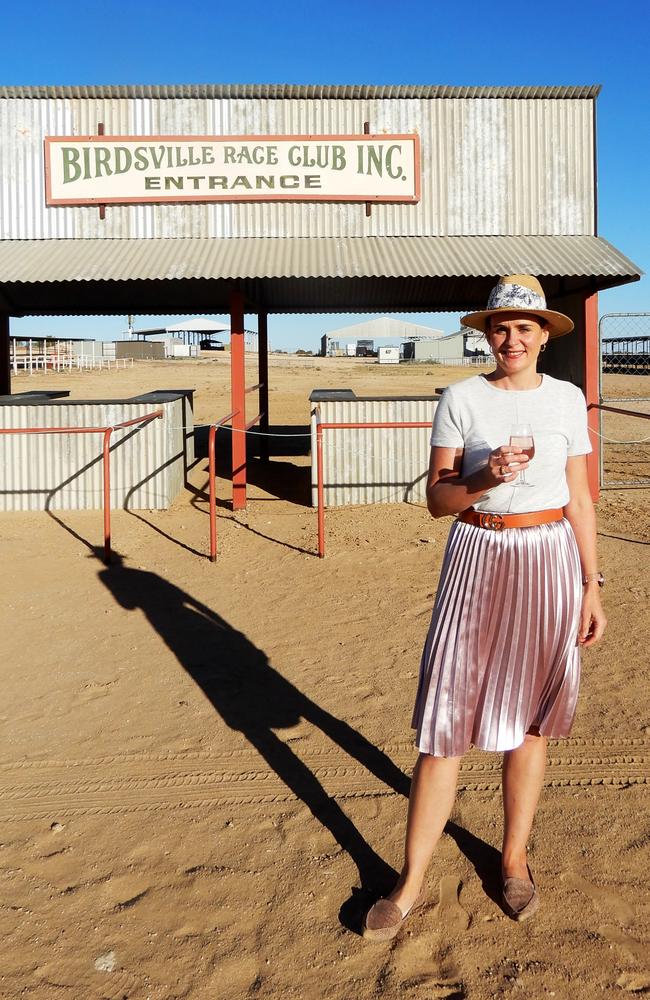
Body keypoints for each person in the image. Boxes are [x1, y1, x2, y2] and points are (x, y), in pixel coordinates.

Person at [363, 274, 607, 940]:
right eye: (501, 327)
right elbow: (438, 501)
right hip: (477, 555)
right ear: (486, 334)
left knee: (530, 722)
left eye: (525, 327)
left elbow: (580, 499)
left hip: (549, 558)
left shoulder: (566, 399)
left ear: (543, 336)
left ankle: (515, 860)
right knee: (446, 723)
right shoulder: (461, 399)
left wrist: (592, 583)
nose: (512, 338)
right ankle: (409, 882)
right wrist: (482, 478)